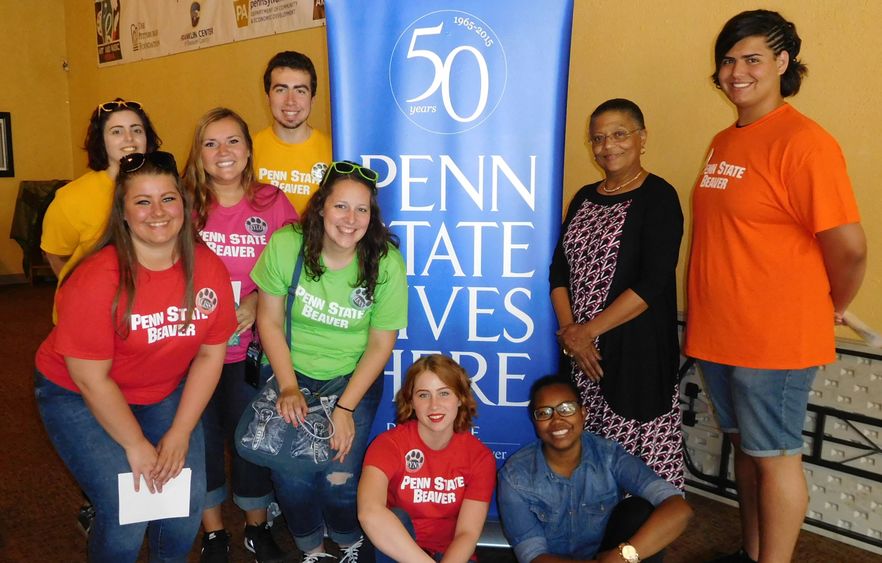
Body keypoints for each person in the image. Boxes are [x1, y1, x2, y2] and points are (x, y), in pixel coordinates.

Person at [685, 10, 867, 563]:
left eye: (752, 58)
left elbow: (851, 247)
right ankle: (754, 552)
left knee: (776, 457)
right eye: (729, 60)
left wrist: (832, 304)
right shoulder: (724, 140)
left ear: (783, 63)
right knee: (748, 451)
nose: (737, 71)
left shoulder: (806, 143)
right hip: (720, 333)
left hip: (774, 337)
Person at [34, 151, 238, 562]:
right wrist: (136, 445)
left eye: (168, 198)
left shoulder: (208, 270)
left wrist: (179, 433)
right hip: (76, 392)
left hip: (158, 389)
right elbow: (92, 379)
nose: (157, 212)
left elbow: (209, 356)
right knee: (128, 508)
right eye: (142, 201)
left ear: (184, 204)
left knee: (183, 504)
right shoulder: (95, 279)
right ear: (123, 212)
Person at [251, 160, 408, 562]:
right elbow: (268, 320)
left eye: (362, 209)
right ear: (321, 206)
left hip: (351, 377)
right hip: (292, 370)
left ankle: (347, 538)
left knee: (339, 477)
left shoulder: (385, 262)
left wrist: (345, 408)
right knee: (292, 476)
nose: (350, 219)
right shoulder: (288, 245)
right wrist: (287, 385)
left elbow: (379, 344)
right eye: (341, 206)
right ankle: (311, 548)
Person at [550, 98, 685, 488]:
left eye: (619, 134)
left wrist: (588, 331)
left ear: (642, 138)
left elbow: (652, 282)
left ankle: (641, 537)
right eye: (598, 138)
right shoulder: (584, 197)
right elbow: (558, 270)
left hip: (636, 350)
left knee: (636, 464)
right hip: (580, 351)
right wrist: (571, 332)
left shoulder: (658, 197)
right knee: (586, 449)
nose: (608, 146)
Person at [182, 108, 298, 562]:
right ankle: (213, 532)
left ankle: (255, 525)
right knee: (202, 438)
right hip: (192, 350)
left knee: (251, 438)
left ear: (249, 150)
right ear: (199, 154)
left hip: (250, 351)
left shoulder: (272, 202)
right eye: (211, 143)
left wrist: (256, 301)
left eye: (233, 141)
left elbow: (294, 268)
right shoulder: (183, 203)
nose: (223, 152)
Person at [498, 375, 692, 563]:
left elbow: (679, 509)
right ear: (535, 422)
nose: (557, 420)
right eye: (544, 413)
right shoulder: (515, 475)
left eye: (567, 408)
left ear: (583, 413)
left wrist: (621, 557)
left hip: (612, 558)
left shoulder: (608, 455)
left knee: (640, 512)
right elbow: (533, 556)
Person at [358, 354, 496, 563]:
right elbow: (369, 513)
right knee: (396, 516)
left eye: (444, 393)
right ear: (411, 401)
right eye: (423, 395)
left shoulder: (479, 457)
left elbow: (467, 533)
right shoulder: (388, 444)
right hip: (395, 549)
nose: (434, 405)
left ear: (460, 398)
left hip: (449, 555)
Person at [42, 98, 162, 284]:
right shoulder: (72, 197)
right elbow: (56, 255)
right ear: (102, 141)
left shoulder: (164, 187)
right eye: (116, 132)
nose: (129, 138)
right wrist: (80, 292)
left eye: (137, 130)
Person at [253, 50, 332, 215]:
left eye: (300, 91)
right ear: (267, 97)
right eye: (281, 90)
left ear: (312, 99)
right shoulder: (247, 150)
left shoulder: (334, 152)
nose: (290, 101)